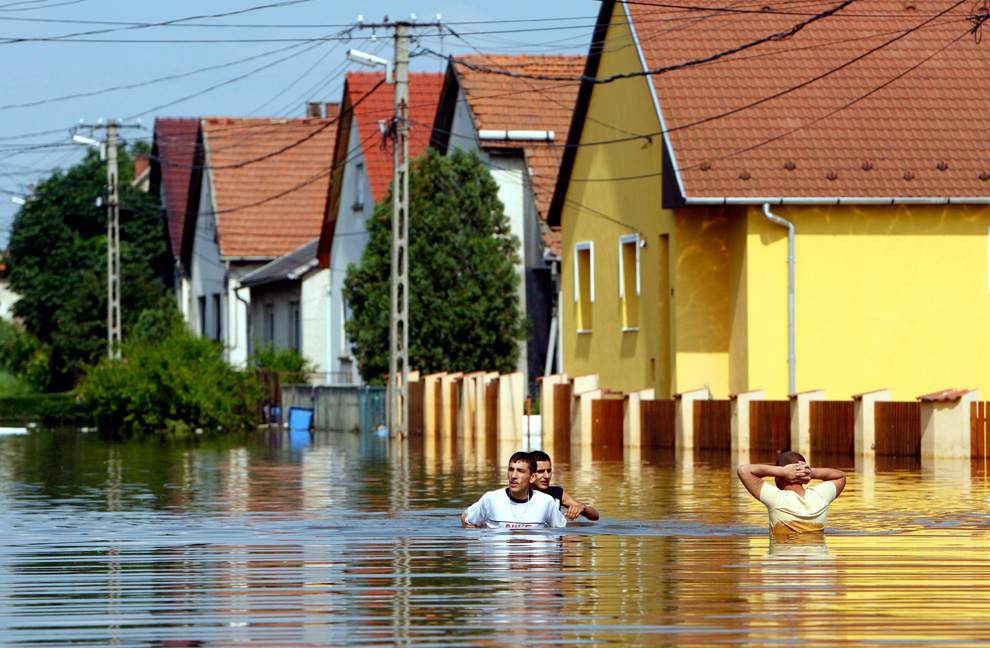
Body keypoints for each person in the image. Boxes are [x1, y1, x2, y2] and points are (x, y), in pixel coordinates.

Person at [737, 451, 846, 534]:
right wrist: (812, 472)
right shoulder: (820, 496)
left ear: (778, 478)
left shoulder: (777, 499)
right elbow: (840, 476)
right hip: (816, 562)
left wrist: (782, 471)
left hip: (784, 561)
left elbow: (743, 470)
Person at [461, 452, 568, 529]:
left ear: (532, 477)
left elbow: (560, 529)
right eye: (511, 470)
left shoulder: (545, 502)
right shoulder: (491, 499)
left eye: (520, 471)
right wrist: (480, 543)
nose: (513, 476)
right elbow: (466, 518)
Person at [530, 450, 600, 521]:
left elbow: (595, 516)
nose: (547, 476)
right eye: (540, 471)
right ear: (530, 474)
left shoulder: (557, 493)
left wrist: (582, 508)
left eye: (549, 471)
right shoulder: (521, 494)